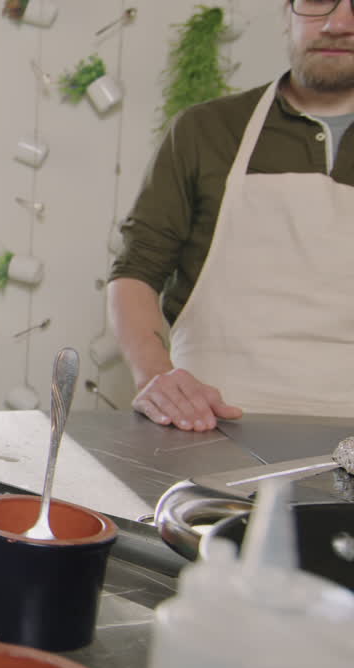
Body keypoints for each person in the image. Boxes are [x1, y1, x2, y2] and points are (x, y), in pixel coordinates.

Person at [108, 0, 354, 431]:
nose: (338, 24)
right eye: (318, 1)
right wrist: (157, 379)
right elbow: (135, 272)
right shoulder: (205, 131)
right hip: (206, 424)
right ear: (287, 14)